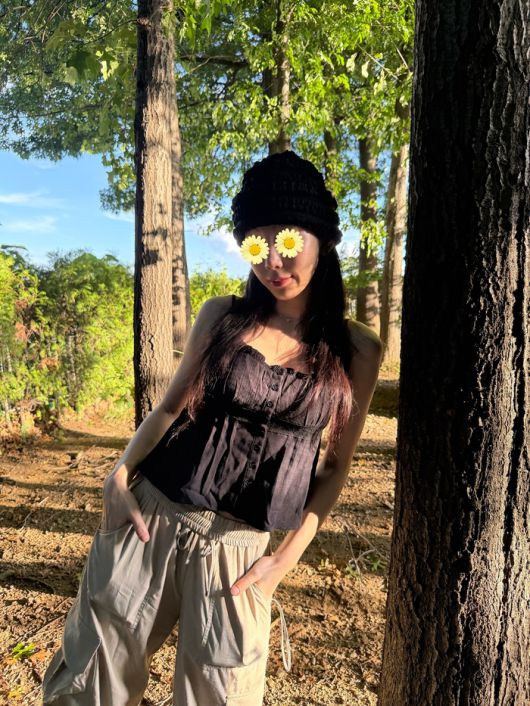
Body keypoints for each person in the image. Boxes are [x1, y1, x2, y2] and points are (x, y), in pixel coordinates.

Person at [42, 149, 383, 706]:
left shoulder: (356, 349)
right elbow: (167, 410)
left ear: (324, 241)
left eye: (288, 241)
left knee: (221, 696)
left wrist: (285, 559)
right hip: (150, 520)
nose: (274, 262)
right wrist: (118, 475)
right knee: (89, 684)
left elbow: (335, 464)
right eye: (256, 245)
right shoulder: (222, 316)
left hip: (240, 554)